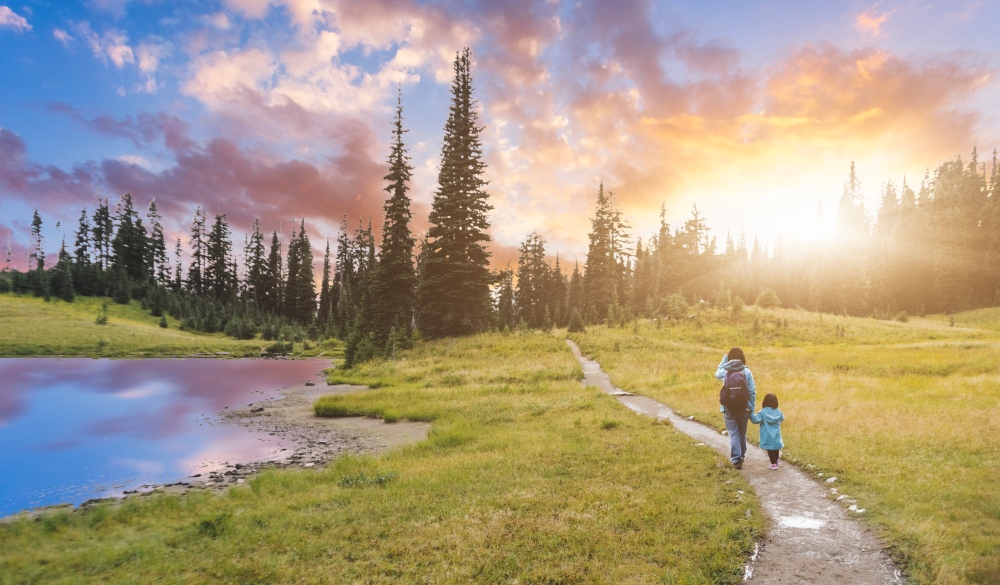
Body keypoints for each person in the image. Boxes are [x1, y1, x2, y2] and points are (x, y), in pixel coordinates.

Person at [715, 347, 756, 469]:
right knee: (742, 434)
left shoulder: (725, 372)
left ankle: (736, 459)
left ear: (729, 359)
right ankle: (741, 456)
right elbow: (752, 391)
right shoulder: (747, 372)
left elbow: (716, 373)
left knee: (733, 434)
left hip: (728, 408)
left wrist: (724, 357)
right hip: (744, 408)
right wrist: (751, 408)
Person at [750, 393, 785, 469]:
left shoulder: (762, 413)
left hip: (767, 434)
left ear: (764, 402)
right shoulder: (779, 412)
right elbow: (782, 418)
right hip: (776, 434)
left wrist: (751, 414)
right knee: (776, 448)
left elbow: (755, 420)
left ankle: (773, 463)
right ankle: (776, 460)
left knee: (770, 449)